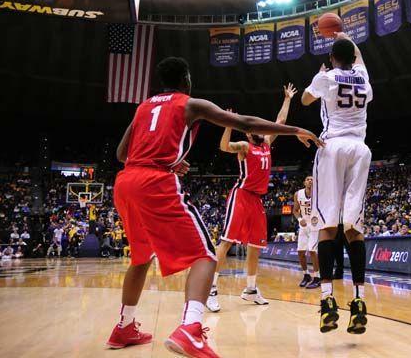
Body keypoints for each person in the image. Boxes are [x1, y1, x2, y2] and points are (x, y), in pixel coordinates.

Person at [107, 58, 321, 357]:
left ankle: (124, 326)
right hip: (156, 183)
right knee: (206, 255)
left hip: (125, 182)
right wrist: (298, 129)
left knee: (141, 258)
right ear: (186, 78)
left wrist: (167, 159)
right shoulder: (190, 103)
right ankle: (191, 329)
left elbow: (121, 153)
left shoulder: (143, 107)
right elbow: (245, 123)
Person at [302, 32, 373, 334]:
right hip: (360, 150)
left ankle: (327, 301)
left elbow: (305, 100)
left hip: (332, 148)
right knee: (354, 227)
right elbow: (361, 61)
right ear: (354, 59)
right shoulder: (363, 77)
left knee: (327, 225)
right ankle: (359, 302)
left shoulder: (326, 77)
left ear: (332, 59)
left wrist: (319, 77)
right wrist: (346, 38)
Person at [207, 83, 299, 313]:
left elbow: (280, 122)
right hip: (241, 195)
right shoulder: (245, 146)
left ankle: (250, 289)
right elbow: (223, 146)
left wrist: (287, 99)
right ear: (248, 131)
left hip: (257, 199)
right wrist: (228, 124)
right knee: (226, 241)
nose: (259, 128)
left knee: (256, 245)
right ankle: (211, 289)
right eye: (254, 127)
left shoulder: (267, 142)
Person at [293, 176, 321, 289]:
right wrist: (300, 220)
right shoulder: (297, 194)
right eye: (308, 179)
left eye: (312, 179)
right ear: (304, 182)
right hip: (304, 225)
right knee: (300, 252)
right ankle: (306, 275)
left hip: (315, 225)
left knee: (313, 251)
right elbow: (295, 210)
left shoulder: (319, 194)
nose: (310, 180)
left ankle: (317, 278)